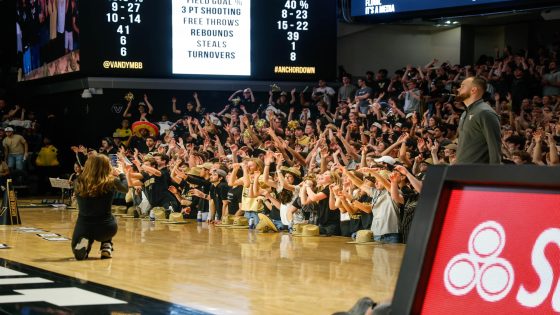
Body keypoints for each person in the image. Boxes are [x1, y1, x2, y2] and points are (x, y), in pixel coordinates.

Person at [71, 154, 129, 260]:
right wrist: (121, 174)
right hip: (107, 228)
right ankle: (106, 245)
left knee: (83, 236)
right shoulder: (111, 181)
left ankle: (85, 242)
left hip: (84, 226)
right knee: (109, 217)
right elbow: (125, 188)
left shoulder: (78, 182)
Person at [455, 76, 502, 164]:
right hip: (461, 170)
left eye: (462, 86)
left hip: (477, 173)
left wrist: (495, 173)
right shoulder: (465, 113)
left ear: (474, 90)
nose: (458, 89)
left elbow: (494, 147)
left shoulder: (485, 112)